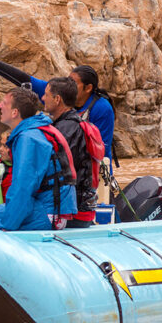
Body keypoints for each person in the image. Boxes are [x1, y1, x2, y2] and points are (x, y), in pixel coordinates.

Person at [0, 50, 117, 167]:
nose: (44, 98)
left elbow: (102, 149)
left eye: (73, 82)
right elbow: (25, 80)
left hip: (94, 172)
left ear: (88, 88)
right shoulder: (58, 94)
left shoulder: (102, 108)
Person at [0, 88, 77, 231]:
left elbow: (22, 188)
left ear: (14, 112)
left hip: (46, 211)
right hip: (50, 208)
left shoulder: (29, 138)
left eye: (4, 103)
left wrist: (8, 226)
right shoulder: (37, 130)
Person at [41, 77, 96, 228]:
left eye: (46, 94)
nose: (42, 98)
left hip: (71, 211)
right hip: (82, 207)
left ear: (57, 99)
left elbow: (55, 170)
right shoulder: (72, 123)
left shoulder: (65, 130)